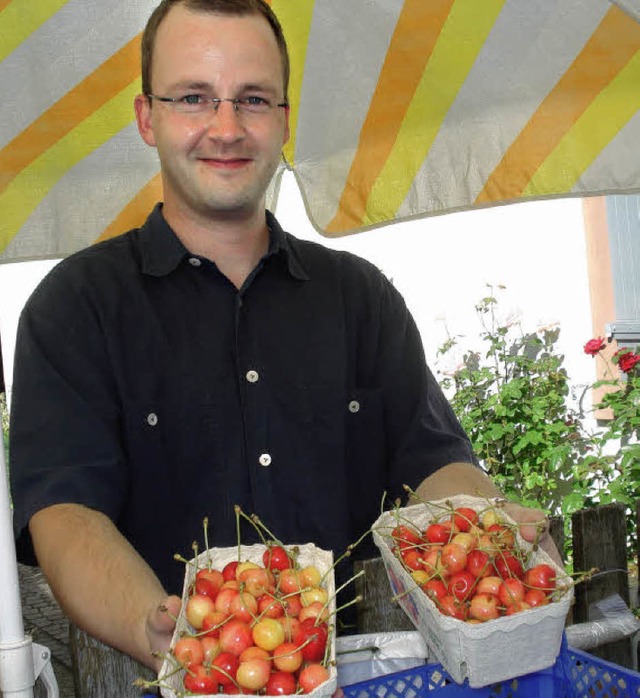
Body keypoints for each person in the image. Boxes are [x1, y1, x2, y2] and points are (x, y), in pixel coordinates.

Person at [9, 0, 558, 673]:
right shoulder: (74, 307)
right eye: (193, 97)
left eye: (254, 100)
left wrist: (497, 529)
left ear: (284, 120)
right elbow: (65, 515)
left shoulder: (362, 298)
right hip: (158, 680)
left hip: (359, 674)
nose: (226, 127)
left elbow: (433, 462)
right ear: (147, 117)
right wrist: (168, 632)